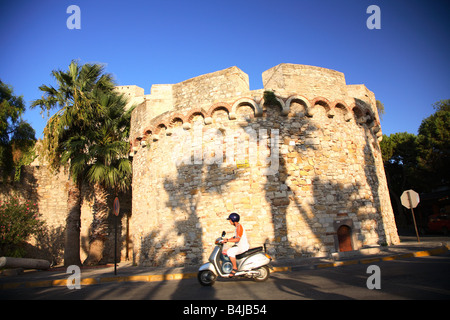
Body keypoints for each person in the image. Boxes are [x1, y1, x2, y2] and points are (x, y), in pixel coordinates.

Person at [222, 212, 250, 277]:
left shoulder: (239, 227)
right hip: (239, 245)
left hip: (242, 246)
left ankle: (235, 268)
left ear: (233, 220)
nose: (229, 221)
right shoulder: (237, 227)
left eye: (230, 220)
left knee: (230, 251)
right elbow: (235, 237)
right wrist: (227, 239)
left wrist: (228, 240)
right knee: (228, 250)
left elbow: (237, 239)